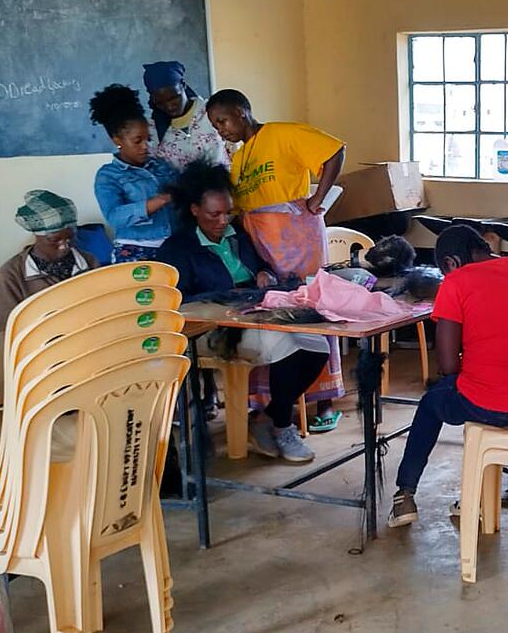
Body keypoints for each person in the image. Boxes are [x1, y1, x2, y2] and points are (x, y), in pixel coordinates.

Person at [389, 225, 508, 527]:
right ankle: (478, 493)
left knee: (432, 401)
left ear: (450, 264)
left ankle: (404, 495)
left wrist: (478, 360)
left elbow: (447, 365)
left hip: (483, 404)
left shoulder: (456, 282)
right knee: (460, 390)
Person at [157, 159, 326, 463]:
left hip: (253, 314)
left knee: (318, 345)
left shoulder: (237, 234)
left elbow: (258, 266)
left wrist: (264, 274)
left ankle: (266, 419)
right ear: (194, 210)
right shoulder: (178, 248)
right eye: (214, 214)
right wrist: (230, 295)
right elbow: (180, 300)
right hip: (213, 330)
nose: (223, 220)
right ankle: (283, 425)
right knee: (288, 345)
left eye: (228, 212)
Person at [205, 88, 347, 429]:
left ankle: (324, 402)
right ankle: (273, 403)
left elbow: (335, 151)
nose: (220, 130)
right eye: (214, 125)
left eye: (222, 121)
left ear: (241, 112)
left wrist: (317, 199)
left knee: (313, 310)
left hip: (298, 240)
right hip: (263, 246)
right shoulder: (238, 160)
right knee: (273, 318)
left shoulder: (284, 133)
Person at [89, 84, 179, 263]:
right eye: (137, 141)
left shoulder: (161, 166)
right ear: (117, 140)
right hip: (136, 249)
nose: (146, 146)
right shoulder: (108, 176)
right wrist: (160, 200)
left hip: (175, 245)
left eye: (148, 139)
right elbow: (115, 217)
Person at [0, 191, 98, 330]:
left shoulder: (88, 262)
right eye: (55, 240)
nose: (64, 246)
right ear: (37, 237)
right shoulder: (11, 275)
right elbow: (7, 330)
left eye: (70, 238)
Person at [143, 60, 230, 171]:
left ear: (183, 85)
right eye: (160, 102)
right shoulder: (153, 131)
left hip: (226, 186)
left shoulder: (211, 112)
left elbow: (233, 149)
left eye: (174, 98)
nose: (169, 106)